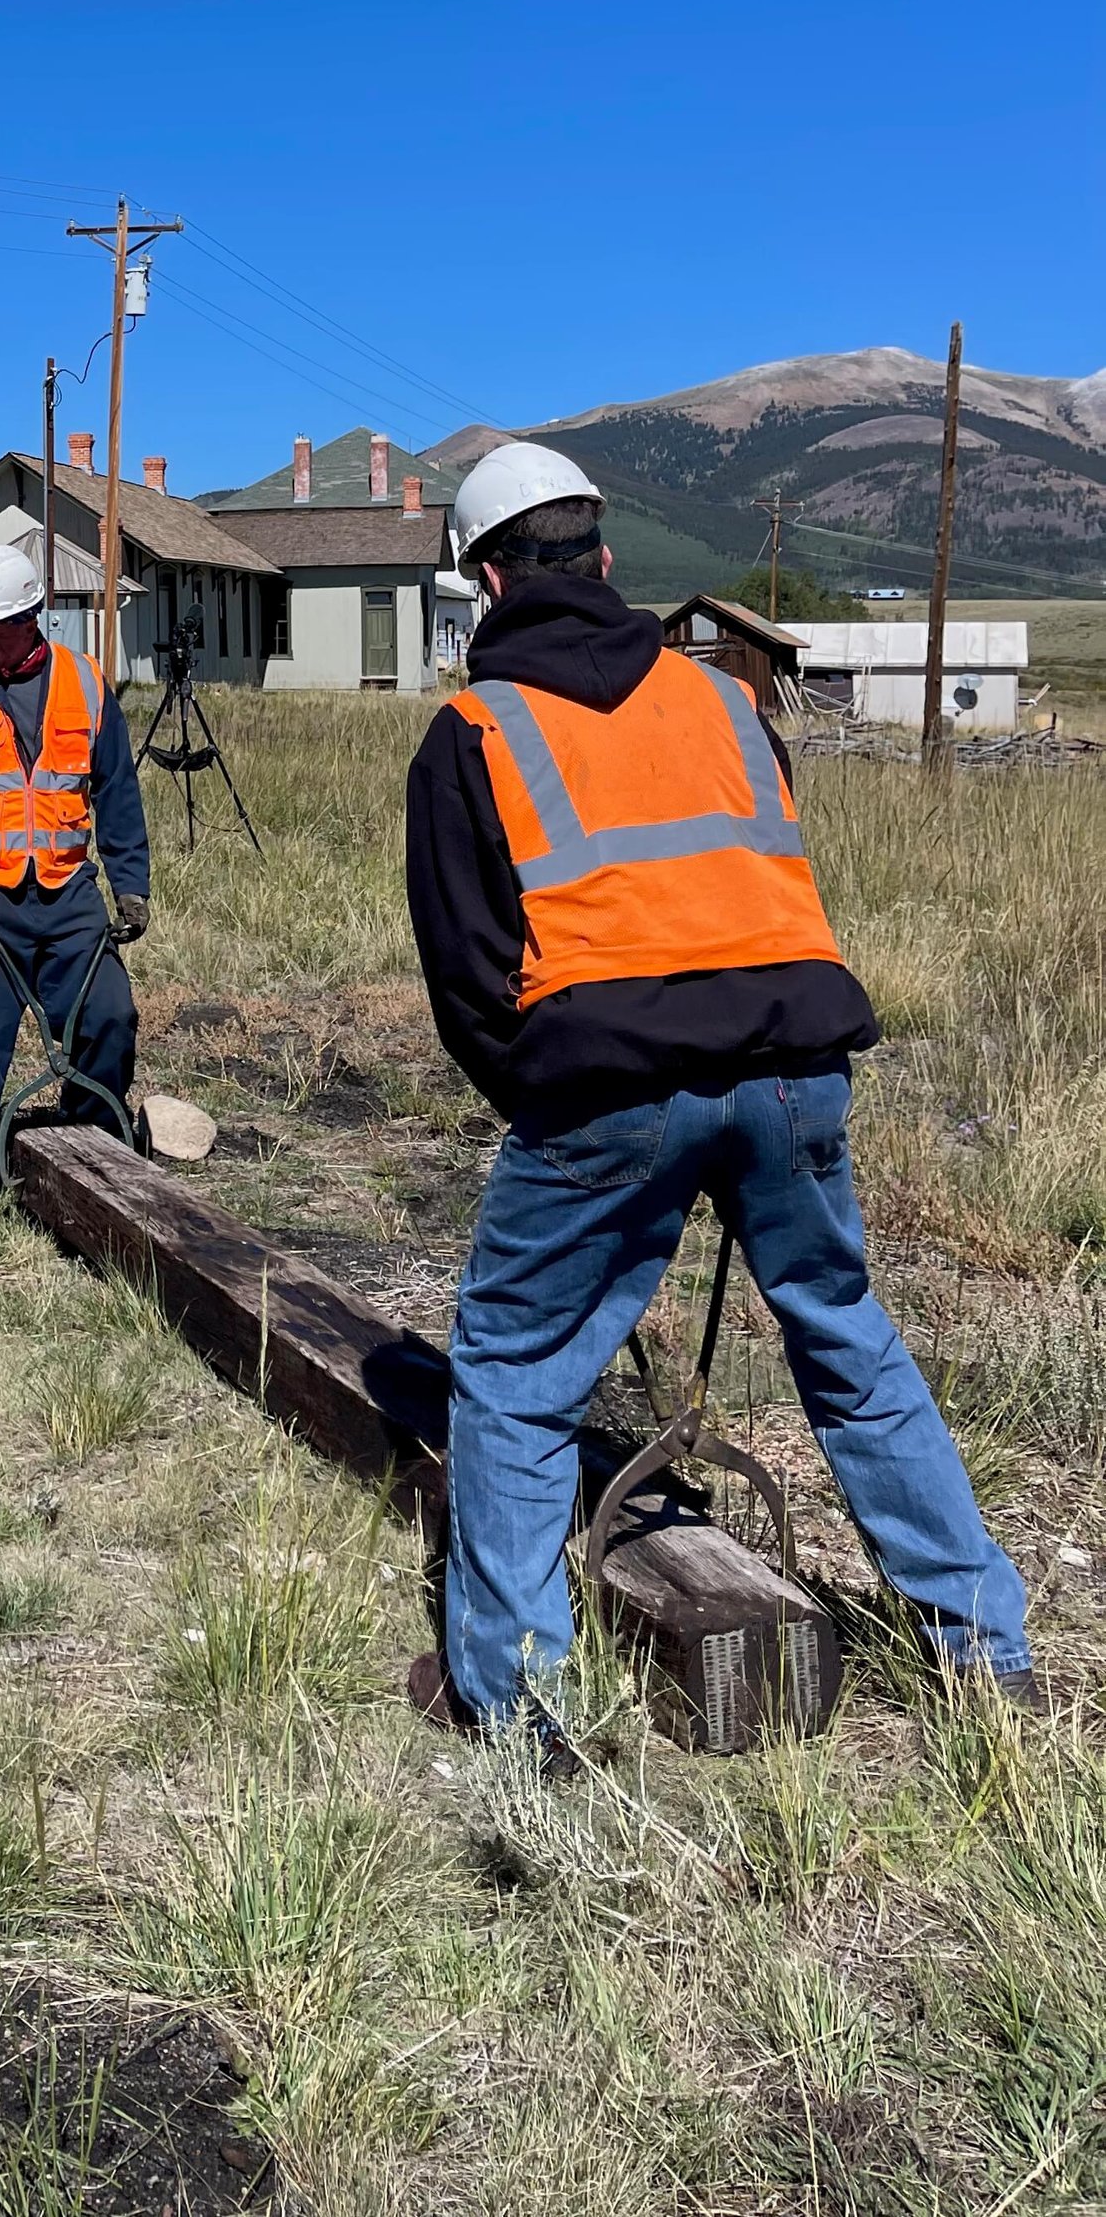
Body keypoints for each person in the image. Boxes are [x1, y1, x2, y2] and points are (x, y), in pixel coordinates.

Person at [405, 440, 1031, 1739]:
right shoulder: (725, 701)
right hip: (797, 1069)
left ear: (483, 578)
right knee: (849, 1345)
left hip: (612, 1089)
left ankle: (519, 1707)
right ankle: (988, 1654)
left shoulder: (475, 732)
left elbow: (473, 984)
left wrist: (558, 1111)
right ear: (608, 561)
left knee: (518, 1375)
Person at [0, 540, 151, 1240]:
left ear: (30, 617)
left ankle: (97, 1158)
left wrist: (130, 883)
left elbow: (118, 792)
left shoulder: (86, 683)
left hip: (70, 897)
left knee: (109, 1015)